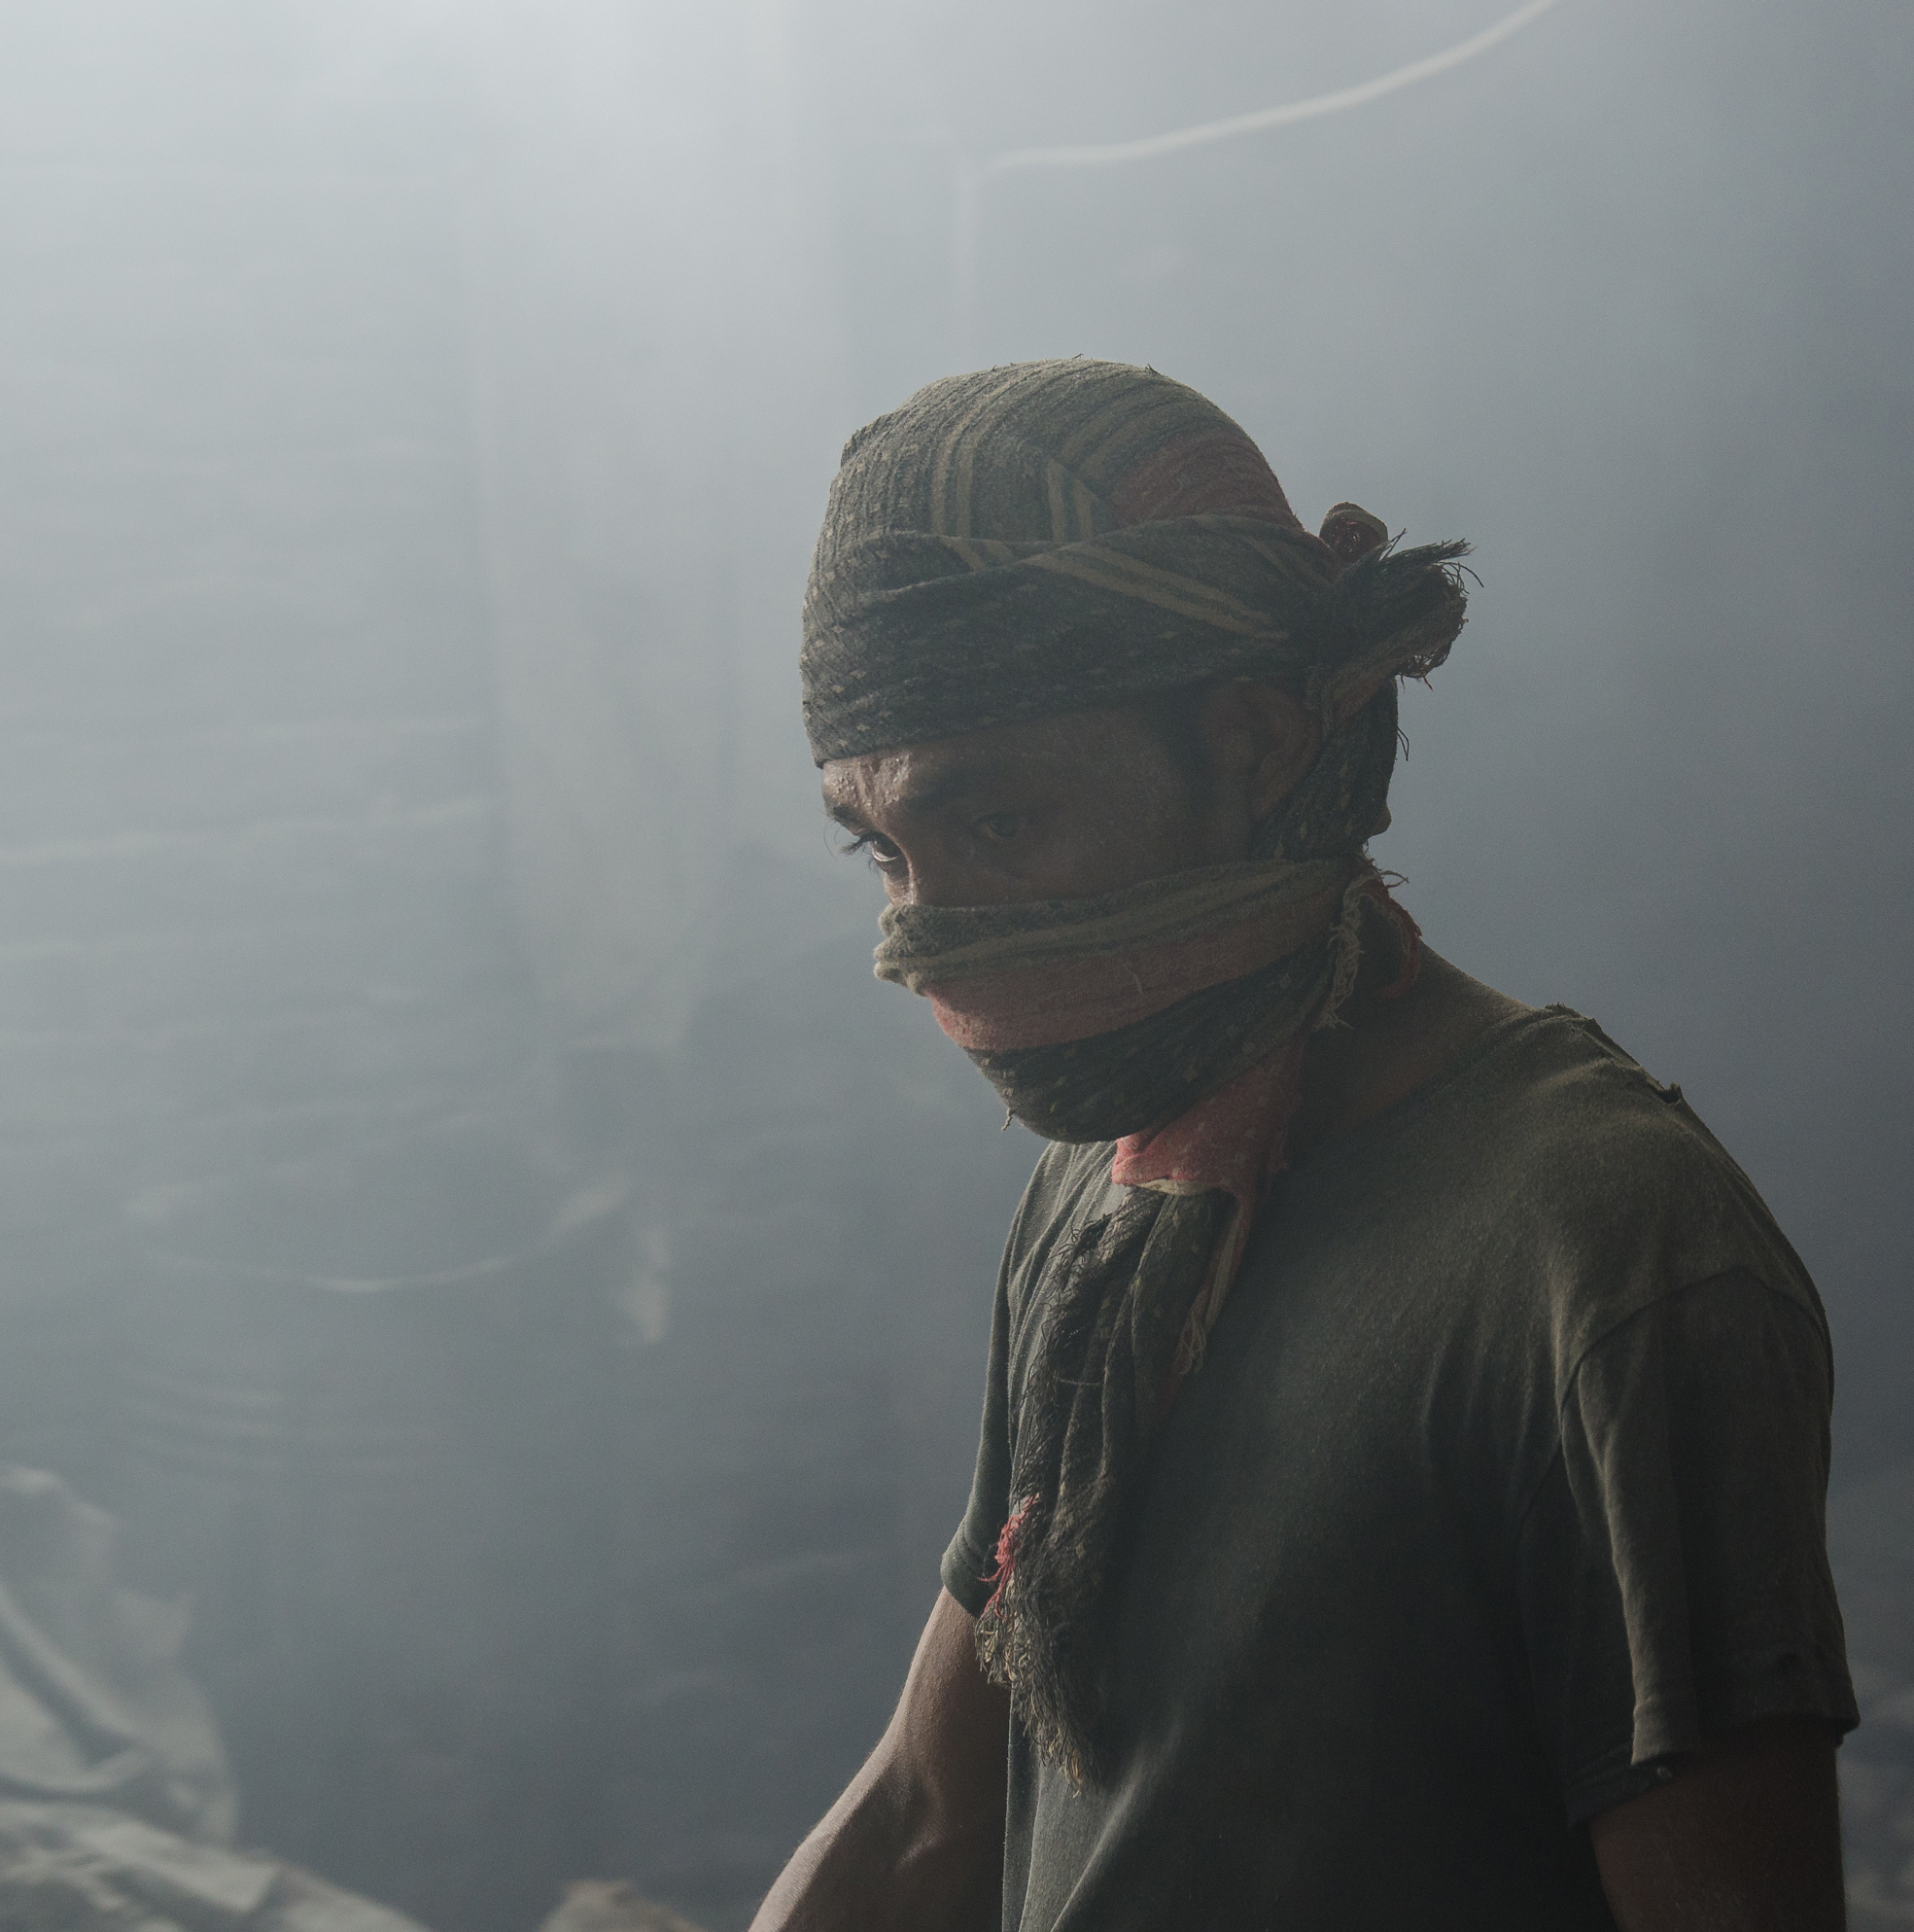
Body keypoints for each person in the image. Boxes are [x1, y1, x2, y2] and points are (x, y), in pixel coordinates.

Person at [752, 360, 1856, 1931]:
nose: (922, 936)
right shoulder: (1114, 1186)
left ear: (1260, 745)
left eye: (995, 824)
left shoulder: (1599, 1245)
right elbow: (933, 1816)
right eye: (883, 852)